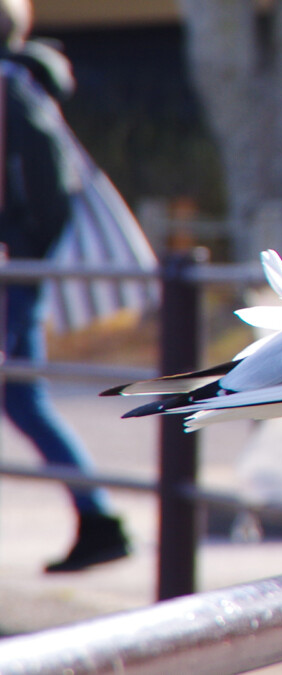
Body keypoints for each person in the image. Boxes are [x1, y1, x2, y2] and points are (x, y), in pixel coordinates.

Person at [0, 0, 131, 572]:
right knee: (21, 397)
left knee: (22, 396)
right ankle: (97, 518)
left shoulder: (12, 89)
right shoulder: (21, 86)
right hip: (18, 267)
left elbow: (47, 189)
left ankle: (99, 519)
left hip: (14, 271)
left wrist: (20, 250)